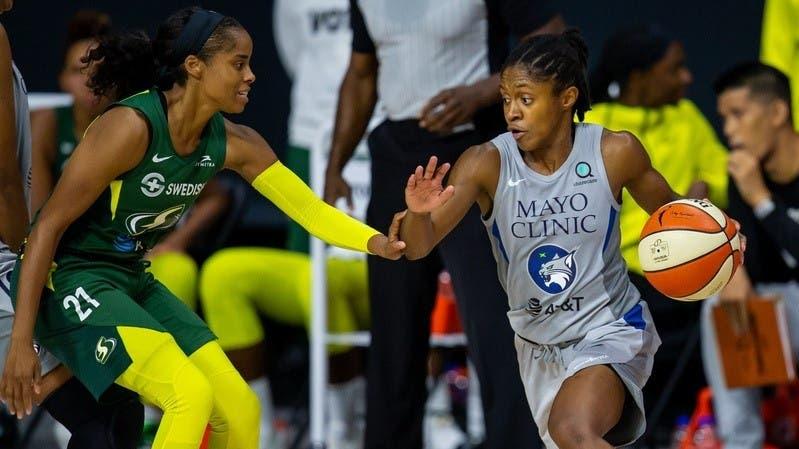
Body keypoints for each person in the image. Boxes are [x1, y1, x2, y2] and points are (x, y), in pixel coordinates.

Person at [0, 7, 404, 449]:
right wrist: (22, 341)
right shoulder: (130, 127)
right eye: (238, 63)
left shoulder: (234, 142)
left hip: (129, 277)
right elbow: (45, 229)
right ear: (194, 66)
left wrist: (377, 242)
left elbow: (309, 210)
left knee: (240, 408)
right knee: (187, 395)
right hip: (72, 279)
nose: (251, 75)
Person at [397, 29, 725, 449]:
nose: (512, 112)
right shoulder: (485, 163)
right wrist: (419, 214)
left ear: (567, 98)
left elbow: (676, 215)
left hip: (610, 328)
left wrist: (720, 236)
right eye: (505, 99)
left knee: (572, 431)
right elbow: (418, 245)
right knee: (570, 436)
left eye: (526, 99)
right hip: (537, 347)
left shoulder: (614, 152)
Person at [324, 1, 564, 447]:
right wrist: (336, 165)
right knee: (394, 333)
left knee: (494, 322)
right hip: (398, 156)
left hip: (476, 151)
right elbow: (361, 75)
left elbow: (552, 43)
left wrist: (479, 93)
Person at [0, 3, 144, 449]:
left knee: (115, 408)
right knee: (101, 419)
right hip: (9, 258)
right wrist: (29, 277)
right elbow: (6, 181)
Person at [582, 25, 729, 429]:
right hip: (618, 280)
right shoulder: (594, 124)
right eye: (675, 69)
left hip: (689, 275)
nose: (687, 78)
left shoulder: (687, 118)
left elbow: (720, 172)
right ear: (639, 77)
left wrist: (709, 190)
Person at [702, 62, 799, 449]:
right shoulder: (744, 173)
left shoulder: (753, 183)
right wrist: (733, 271)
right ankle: (742, 442)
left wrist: (762, 199)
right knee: (717, 303)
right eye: (724, 118)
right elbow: (754, 266)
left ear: (777, 112)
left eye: (739, 115)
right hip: (782, 306)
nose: (728, 131)